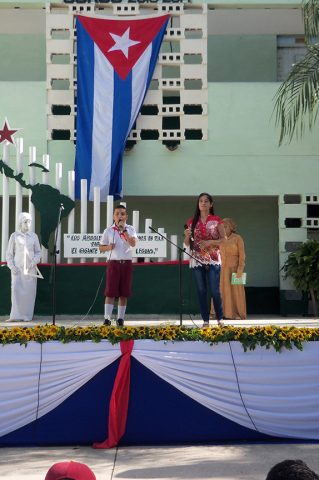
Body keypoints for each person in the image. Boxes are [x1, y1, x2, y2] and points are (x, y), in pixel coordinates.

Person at [184, 193, 226, 328]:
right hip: (197, 259)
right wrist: (186, 236)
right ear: (198, 204)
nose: (203, 203)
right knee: (201, 290)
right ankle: (205, 320)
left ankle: (220, 318)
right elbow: (187, 244)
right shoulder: (191, 221)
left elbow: (224, 240)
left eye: (206, 201)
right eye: (201, 201)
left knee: (214, 290)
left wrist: (209, 242)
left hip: (213, 258)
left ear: (211, 204)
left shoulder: (216, 220)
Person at [99, 204, 137, 327]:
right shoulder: (108, 231)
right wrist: (109, 247)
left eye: (122, 214)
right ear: (113, 216)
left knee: (124, 293)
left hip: (126, 263)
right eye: (117, 214)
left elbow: (133, 243)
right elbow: (101, 247)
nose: (119, 216)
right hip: (113, 263)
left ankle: (120, 319)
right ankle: (107, 318)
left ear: (126, 216)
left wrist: (124, 231)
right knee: (110, 292)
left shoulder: (130, 229)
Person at [6, 212, 41, 321]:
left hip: (30, 270)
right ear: (20, 222)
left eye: (29, 222)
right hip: (18, 269)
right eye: (25, 221)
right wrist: (12, 267)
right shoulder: (14, 236)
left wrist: (34, 262)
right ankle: (15, 316)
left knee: (29, 293)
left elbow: (38, 252)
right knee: (15, 290)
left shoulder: (34, 236)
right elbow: (9, 254)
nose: (27, 224)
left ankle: (27, 316)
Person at [217, 217, 247, 320]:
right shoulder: (219, 239)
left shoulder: (238, 238)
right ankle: (222, 314)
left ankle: (237, 314)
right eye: (221, 227)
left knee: (237, 292)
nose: (223, 229)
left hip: (235, 269)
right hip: (221, 269)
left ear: (231, 227)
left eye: (225, 226)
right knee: (221, 291)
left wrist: (240, 269)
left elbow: (242, 255)